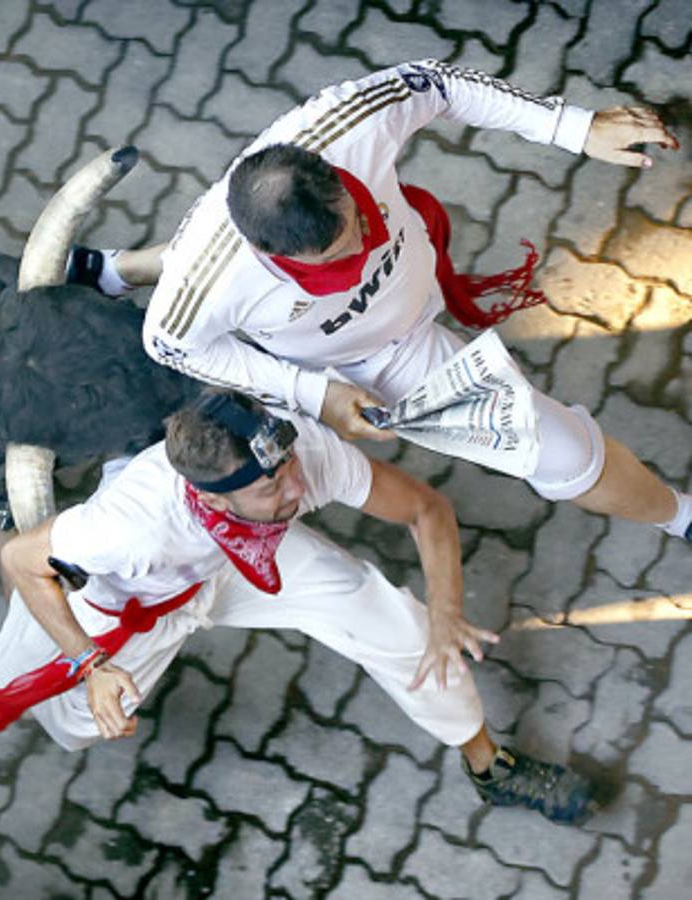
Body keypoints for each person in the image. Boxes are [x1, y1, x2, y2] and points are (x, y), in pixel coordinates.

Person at [70, 59, 690, 543]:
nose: (363, 250)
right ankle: (680, 515)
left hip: (413, 281)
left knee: (194, 268)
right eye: (337, 260)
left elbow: (439, 82)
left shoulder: (350, 123)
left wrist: (572, 126)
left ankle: (118, 267)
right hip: (375, 360)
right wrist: (316, 394)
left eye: (358, 225)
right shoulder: (211, 281)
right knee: (564, 455)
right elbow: (170, 340)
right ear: (267, 255)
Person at [0, 388, 595, 825]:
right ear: (211, 501)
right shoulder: (126, 527)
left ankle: (489, 765)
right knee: (71, 721)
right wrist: (91, 663)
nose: (299, 486)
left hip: (251, 556)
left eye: (291, 464)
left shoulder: (299, 457)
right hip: (138, 597)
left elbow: (425, 510)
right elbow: (25, 565)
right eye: (273, 486)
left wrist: (446, 609)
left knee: (399, 627)